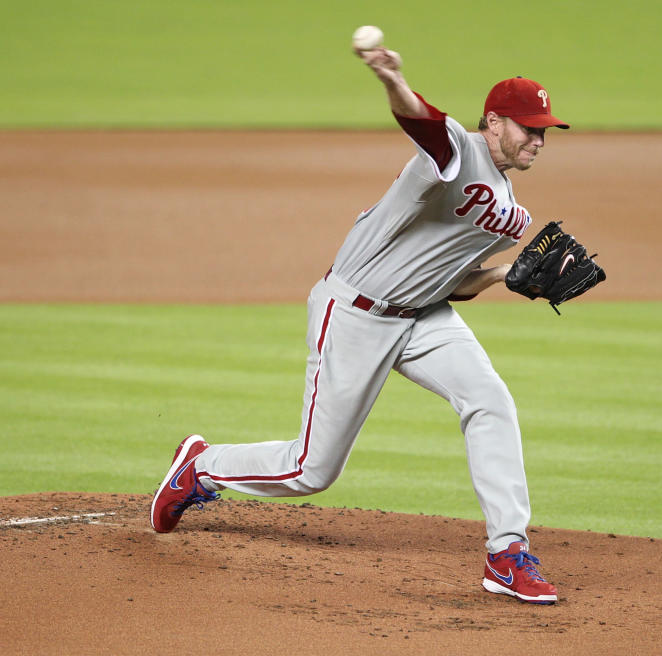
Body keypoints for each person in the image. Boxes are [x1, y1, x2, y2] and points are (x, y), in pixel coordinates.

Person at [150, 46, 569, 605]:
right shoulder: (456, 154)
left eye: (545, 131)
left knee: (489, 400)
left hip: (423, 316)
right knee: (312, 470)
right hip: (355, 312)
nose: (539, 140)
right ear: (493, 123)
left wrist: (501, 276)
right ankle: (202, 467)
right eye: (529, 128)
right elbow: (420, 119)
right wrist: (392, 78)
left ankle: (507, 554)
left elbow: (450, 281)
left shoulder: (512, 213)